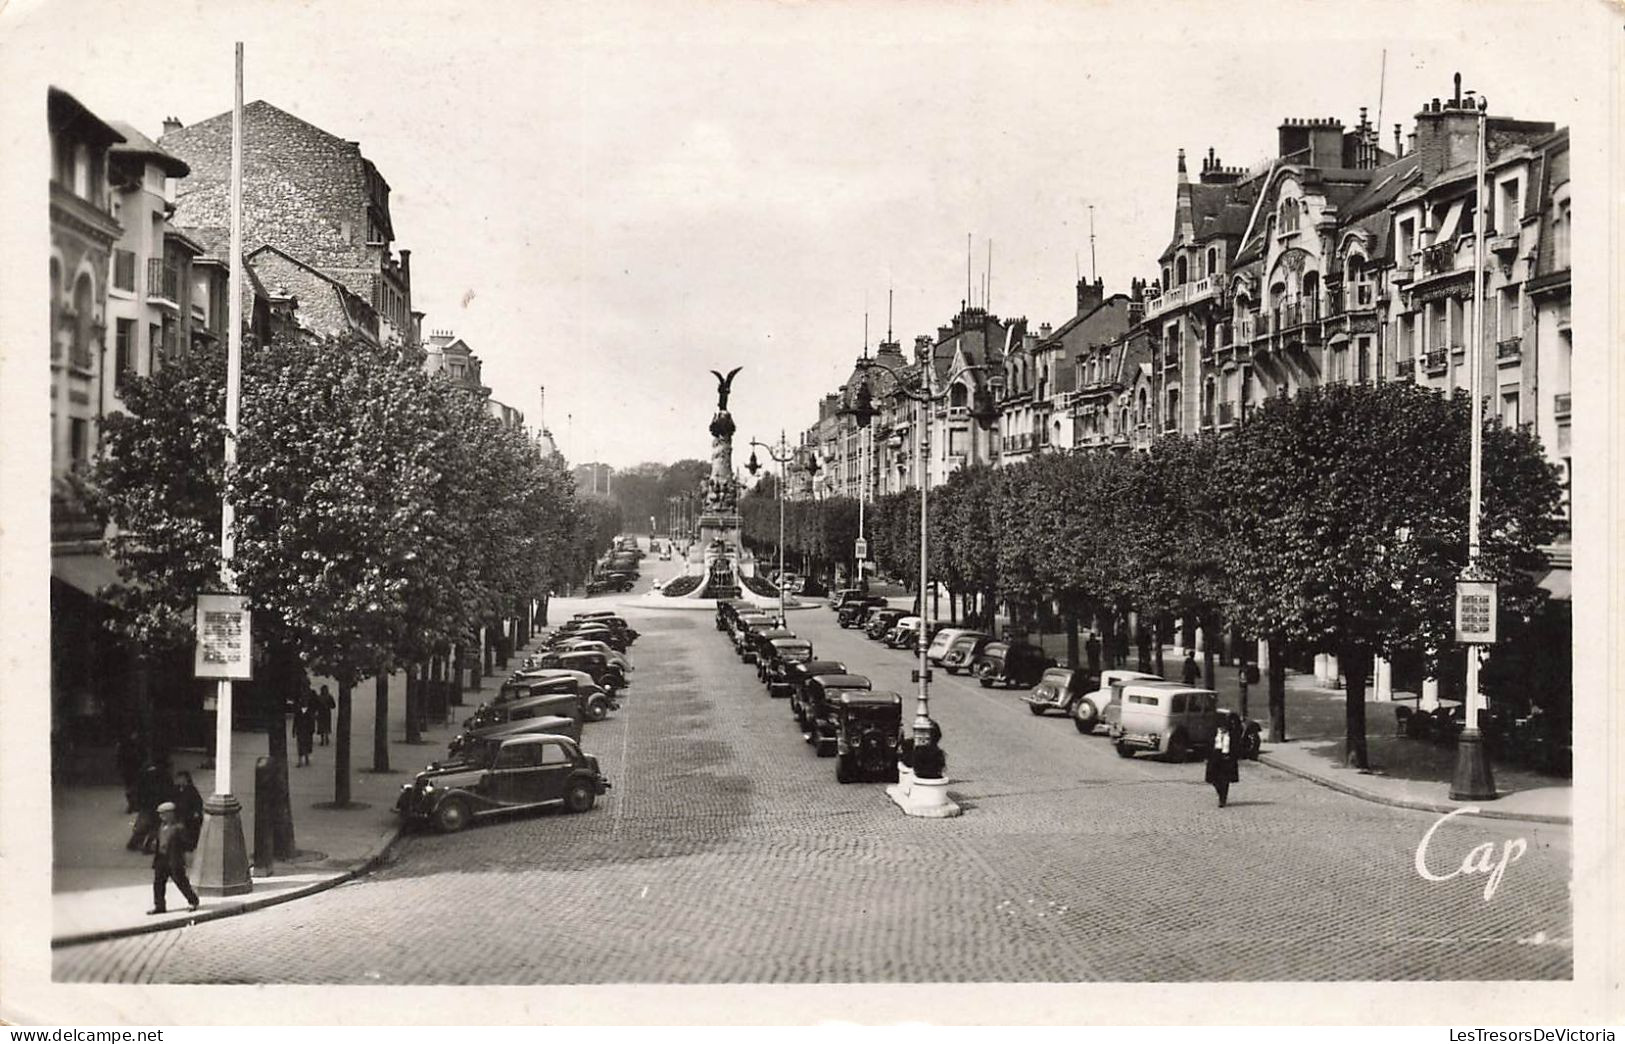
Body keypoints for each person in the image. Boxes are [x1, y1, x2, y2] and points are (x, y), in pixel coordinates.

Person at [148, 802, 200, 915]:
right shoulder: (161, 826)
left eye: (163, 814)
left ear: (171, 814)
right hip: (161, 858)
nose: (161, 816)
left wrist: (181, 850)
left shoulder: (179, 828)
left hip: (174, 860)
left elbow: (188, 844)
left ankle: (193, 901)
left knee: (181, 881)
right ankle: (159, 906)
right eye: (160, 814)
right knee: (158, 883)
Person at [126, 760, 166, 852]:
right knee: (154, 825)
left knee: (144, 824)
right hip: (155, 803)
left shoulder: (144, 773)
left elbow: (138, 790)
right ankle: (147, 845)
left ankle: (135, 843)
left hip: (147, 804)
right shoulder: (161, 774)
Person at [1206, 710, 1243, 807]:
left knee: (1225, 780)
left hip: (1227, 757)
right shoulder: (1214, 733)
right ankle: (1220, 793)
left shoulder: (1232, 735)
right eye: (1221, 727)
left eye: (1225, 727)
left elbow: (1239, 729)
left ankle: (1222, 798)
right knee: (1213, 779)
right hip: (1215, 756)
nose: (1223, 729)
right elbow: (1209, 744)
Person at [173, 770, 204, 849]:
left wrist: (196, 812)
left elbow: (198, 802)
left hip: (189, 814)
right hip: (179, 813)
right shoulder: (176, 789)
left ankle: (189, 843)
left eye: (181, 778)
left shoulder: (192, 790)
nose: (179, 780)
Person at [116, 731, 143, 813]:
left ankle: (133, 804)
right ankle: (133, 804)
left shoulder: (126, 746)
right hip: (131, 769)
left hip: (131, 769)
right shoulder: (129, 746)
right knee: (132, 787)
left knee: (132, 787)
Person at [292, 695, 316, 767]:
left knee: (306, 745)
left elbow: (312, 722)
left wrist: (312, 730)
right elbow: (295, 722)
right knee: (300, 746)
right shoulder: (299, 712)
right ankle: (301, 761)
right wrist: (294, 731)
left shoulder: (309, 712)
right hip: (301, 731)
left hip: (307, 731)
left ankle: (306, 759)